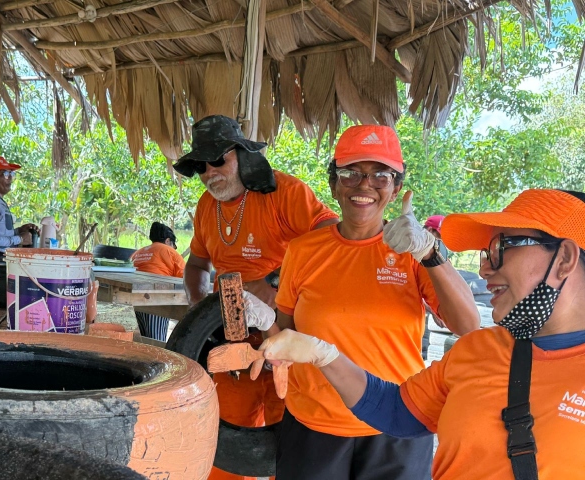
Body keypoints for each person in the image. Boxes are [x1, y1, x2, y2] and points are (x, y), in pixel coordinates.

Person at [259, 188, 585, 479]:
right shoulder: (479, 350)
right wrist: (322, 354)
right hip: (313, 424)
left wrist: (430, 253)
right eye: (485, 253)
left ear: (565, 259)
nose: (485, 268)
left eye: (500, 247)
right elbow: (398, 411)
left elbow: (464, 316)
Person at [270, 125, 480, 479]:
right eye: (350, 173)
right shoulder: (303, 251)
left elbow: (469, 325)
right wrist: (262, 324)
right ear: (334, 185)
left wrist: (429, 252)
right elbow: (286, 333)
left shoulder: (413, 250)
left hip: (397, 423)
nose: (364, 185)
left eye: (380, 175)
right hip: (315, 423)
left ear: (396, 188)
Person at [173, 115, 339, 480]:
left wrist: (275, 282)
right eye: (200, 165)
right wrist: (200, 313)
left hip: (286, 333)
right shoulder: (206, 207)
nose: (208, 172)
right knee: (229, 437)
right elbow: (197, 265)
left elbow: (333, 237)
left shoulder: (285, 192)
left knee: (291, 437)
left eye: (218, 160)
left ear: (244, 156)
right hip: (231, 339)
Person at [130, 222, 185, 341]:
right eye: (173, 245)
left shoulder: (138, 253)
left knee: (142, 340)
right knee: (156, 342)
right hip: (156, 300)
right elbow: (185, 279)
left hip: (132, 299)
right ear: (167, 241)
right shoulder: (171, 252)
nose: (174, 248)